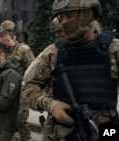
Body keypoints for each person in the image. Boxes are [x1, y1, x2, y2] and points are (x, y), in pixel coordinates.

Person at [22, 0, 119, 141]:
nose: (64, 22)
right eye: (62, 17)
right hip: (64, 133)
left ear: (87, 15)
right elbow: (27, 87)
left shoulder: (113, 49)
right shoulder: (53, 52)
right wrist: (51, 105)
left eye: (70, 16)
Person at [0, 28, 35, 141]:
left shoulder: (23, 49)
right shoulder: (5, 54)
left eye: (1, 44)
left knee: (21, 121)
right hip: (9, 92)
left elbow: (33, 70)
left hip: (22, 92)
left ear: (7, 40)